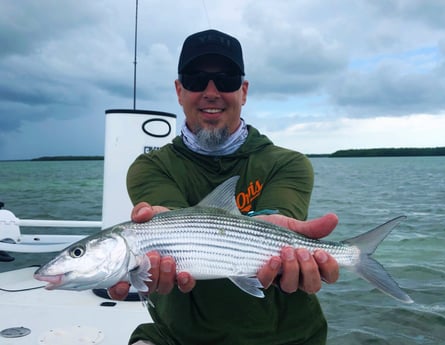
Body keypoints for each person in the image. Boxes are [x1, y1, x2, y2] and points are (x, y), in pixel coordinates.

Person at [109, 29, 340, 345]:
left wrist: (264, 230)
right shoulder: (150, 167)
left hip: (289, 337)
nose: (211, 91)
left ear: (243, 91)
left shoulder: (288, 163)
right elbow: (176, 229)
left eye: (227, 79)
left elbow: (277, 216)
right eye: (195, 78)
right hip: (179, 336)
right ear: (179, 90)